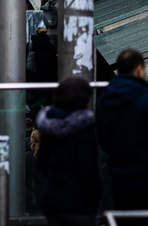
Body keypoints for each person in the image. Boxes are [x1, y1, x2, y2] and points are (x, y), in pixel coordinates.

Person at [35, 76, 100, 226]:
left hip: (52, 197)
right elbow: (88, 169)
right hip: (79, 203)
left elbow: (42, 163)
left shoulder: (49, 125)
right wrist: (96, 193)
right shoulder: (84, 128)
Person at [96, 48, 148, 209]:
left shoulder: (104, 99)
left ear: (118, 70)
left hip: (118, 174)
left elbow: (103, 138)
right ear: (139, 69)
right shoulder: (144, 96)